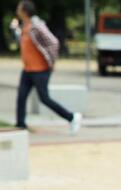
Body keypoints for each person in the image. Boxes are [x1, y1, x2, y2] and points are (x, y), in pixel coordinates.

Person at [13, 1, 81, 133]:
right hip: (27, 69)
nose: (17, 10)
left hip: (40, 70)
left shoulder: (36, 26)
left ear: (25, 11)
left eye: (19, 8)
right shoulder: (25, 26)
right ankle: (20, 125)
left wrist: (52, 62)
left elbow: (54, 43)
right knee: (21, 97)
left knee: (44, 99)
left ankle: (72, 117)